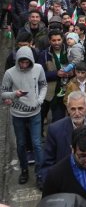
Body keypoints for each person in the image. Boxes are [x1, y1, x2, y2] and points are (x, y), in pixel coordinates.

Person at [1, 46, 47, 187]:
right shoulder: (10, 73)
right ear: (17, 61)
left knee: (37, 144)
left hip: (35, 112)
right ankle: (24, 170)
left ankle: (40, 173)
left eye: (27, 62)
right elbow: (3, 93)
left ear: (31, 61)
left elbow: (43, 85)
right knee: (21, 144)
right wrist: (15, 94)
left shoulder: (38, 68)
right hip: (18, 113)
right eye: (21, 62)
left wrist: (39, 100)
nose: (24, 65)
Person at [41, 91, 86, 180]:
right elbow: (47, 163)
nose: (77, 113)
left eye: (80, 108)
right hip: (66, 180)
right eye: (73, 109)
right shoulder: (55, 129)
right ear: (67, 109)